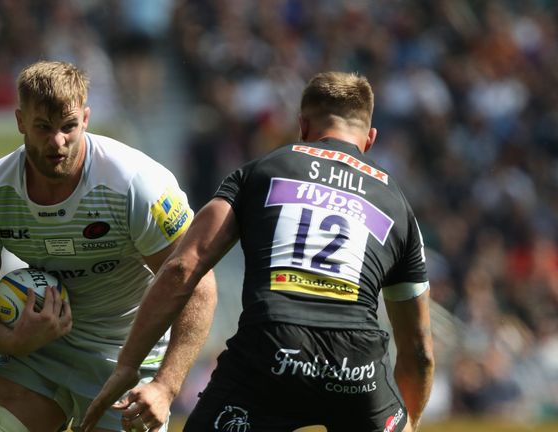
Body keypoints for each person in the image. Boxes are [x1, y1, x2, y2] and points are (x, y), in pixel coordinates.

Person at [82, 71, 434, 432]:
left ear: (302, 125)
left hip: (271, 349)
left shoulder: (262, 171)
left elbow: (182, 268)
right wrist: (408, 422)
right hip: (355, 363)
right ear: (370, 138)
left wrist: (134, 369)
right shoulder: (397, 206)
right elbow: (418, 350)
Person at [0, 60, 217, 432]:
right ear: (20, 121)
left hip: (127, 362)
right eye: (43, 127)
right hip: (39, 355)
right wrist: (13, 339)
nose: (58, 142)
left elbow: (197, 283)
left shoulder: (135, 185)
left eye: (68, 127)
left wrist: (166, 386)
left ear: (85, 119)